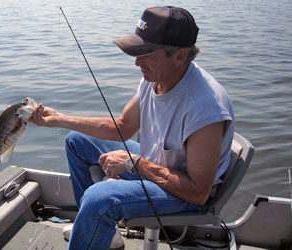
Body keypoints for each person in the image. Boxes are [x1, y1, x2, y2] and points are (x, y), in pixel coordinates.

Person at [31, 6, 234, 250]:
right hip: (156, 164)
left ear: (179, 56)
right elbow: (123, 127)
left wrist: (134, 164)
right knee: (76, 141)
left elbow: (198, 192)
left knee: (99, 199)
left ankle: (95, 218)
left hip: (184, 194)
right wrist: (59, 119)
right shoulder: (156, 77)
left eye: (146, 53)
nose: (137, 62)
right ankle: (100, 229)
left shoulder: (205, 107)